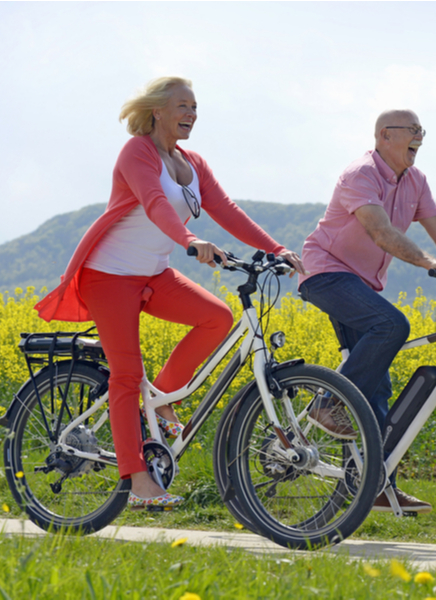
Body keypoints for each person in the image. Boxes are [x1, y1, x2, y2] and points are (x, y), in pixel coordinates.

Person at [35, 76, 305, 510]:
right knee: (126, 375)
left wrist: (276, 249)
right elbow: (155, 201)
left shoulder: (193, 162)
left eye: (195, 107)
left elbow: (226, 209)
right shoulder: (137, 152)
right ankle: (139, 480)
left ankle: (159, 399)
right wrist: (189, 240)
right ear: (157, 109)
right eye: (182, 105)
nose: (191, 114)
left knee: (216, 317)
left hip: (152, 274)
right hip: (110, 276)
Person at [298, 109, 436, 514]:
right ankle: (326, 405)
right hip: (325, 273)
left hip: (361, 285)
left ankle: (373, 483)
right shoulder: (360, 174)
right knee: (391, 324)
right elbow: (381, 232)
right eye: (413, 131)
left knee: (377, 386)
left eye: (423, 132)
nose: (420, 138)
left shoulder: (415, 181)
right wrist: (428, 264)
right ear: (385, 135)